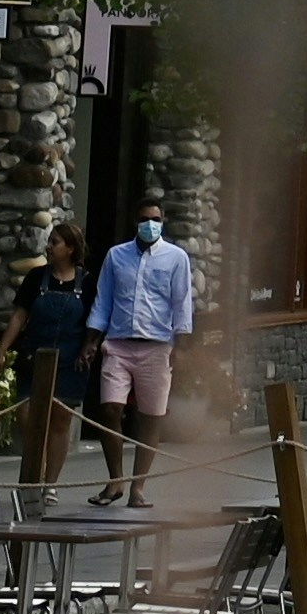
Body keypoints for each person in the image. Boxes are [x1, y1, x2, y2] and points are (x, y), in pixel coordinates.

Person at [87, 209, 200, 503]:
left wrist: (183, 347)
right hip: (118, 343)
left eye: (157, 219)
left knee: (150, 417)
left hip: (157, 345)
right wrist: (92, 339)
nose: (151, 224)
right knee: (110, 409)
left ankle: (138, 487)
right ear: (135, 222)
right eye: (145, 218)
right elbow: (104, 299)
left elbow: (181, 303)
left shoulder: (177, 258)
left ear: (163, 222)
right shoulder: (116, 256)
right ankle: (116, 480)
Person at [12, 229, 96, 490]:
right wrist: (2, 350)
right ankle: (33, 472)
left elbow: (96, 320)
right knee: (27, 416)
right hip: (35, 356)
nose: (48, 247)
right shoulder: (36, 277)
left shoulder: (88, 282)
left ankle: (49, 484)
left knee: (60, 421)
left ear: (70, 248)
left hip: (71, 360)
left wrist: (91, 346)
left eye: (54, 242)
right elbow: (19, 316)